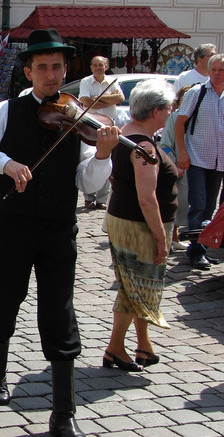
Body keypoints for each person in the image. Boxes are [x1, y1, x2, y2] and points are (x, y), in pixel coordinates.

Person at [0, 29, 119, 437]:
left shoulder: (78, 115)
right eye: (42, 67)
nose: (51, 74)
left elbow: (89, 182)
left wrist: (102, 155)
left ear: (66, 70)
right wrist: (4, 163)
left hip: (61, 227)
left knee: (59, 312)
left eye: (57, 67)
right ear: (28, 71)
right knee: (6, 298)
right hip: (15, 225)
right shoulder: (4, 111)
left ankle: (63, 414)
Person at [102, 79, 177, 374]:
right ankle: (115, 349)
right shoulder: (142, 146)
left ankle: (144, 345)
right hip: (138, 225)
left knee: (135, 287)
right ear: (156, 111)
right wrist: (161, 237)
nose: (171, 112)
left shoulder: (126, 135)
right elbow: (147, 199)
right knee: (135, 289)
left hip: (123, 219)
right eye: (168, 108)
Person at [175, 53, 224, 270]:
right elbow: (179, 123)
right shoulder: (198, 92)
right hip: (197, 157)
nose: (217, 74)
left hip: (220, 160)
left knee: (211, 207)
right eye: (214, 69)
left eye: (221, 70)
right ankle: (195, 252)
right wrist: (182, 152)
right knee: (199, 205)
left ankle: (203, 247)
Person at [79, 55, 124, 210]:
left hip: (109, 126)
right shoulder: (85, 81)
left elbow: (120, 97)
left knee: (106, 159)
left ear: (106, 66)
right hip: (90, 125)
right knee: (90, 159)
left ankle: (102, 199)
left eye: (101, 65)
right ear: (91, 67)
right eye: (95, 65)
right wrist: (107, 99)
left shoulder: (112, 81)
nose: (98, 67)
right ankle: (89, 197)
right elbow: (85, 102)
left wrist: (97, 99)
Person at [159, 85, 192, 250]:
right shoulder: (174, 118)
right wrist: (173, 165)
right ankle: (170, 238)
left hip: (195, 168)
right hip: (178, 168)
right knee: (173, 205)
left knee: (187, 205)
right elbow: (165, 145)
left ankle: (177, 238)